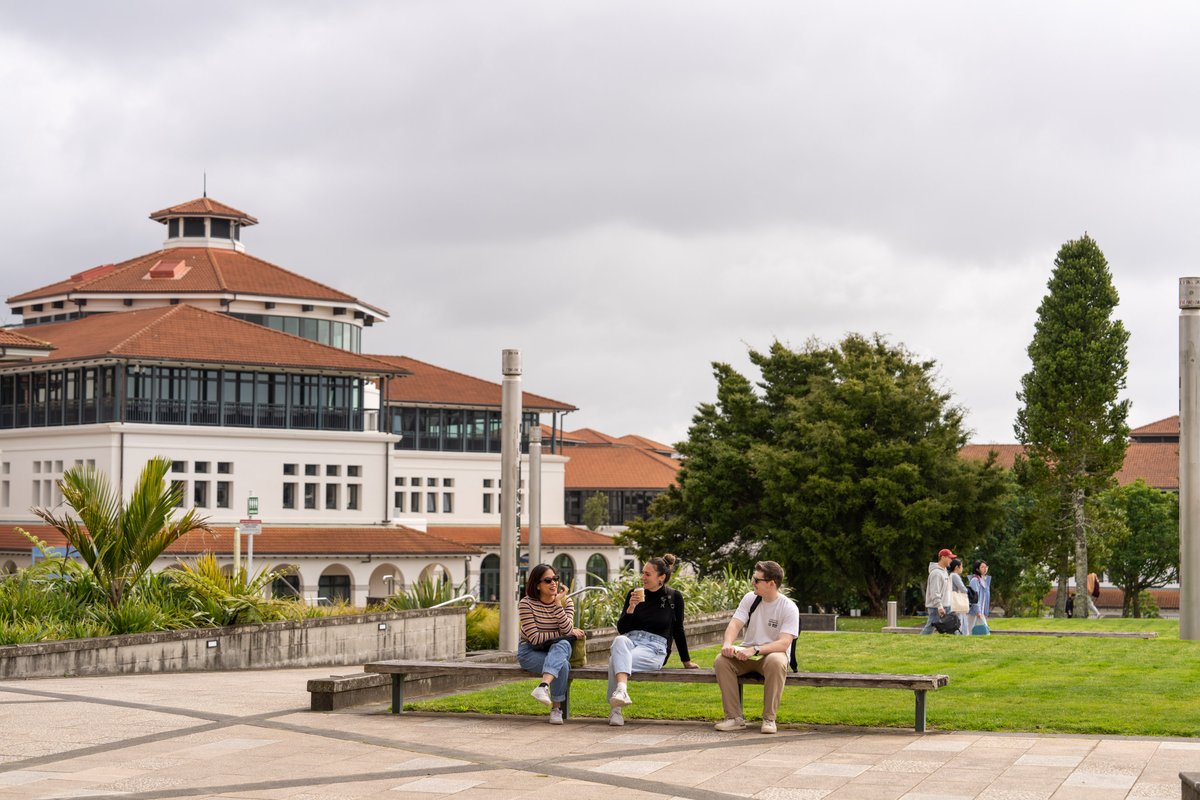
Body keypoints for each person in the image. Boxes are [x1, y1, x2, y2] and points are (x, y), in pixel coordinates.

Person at [607, 554, 700, 727]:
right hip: (631, 641)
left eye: (648, 574)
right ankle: (622, 692)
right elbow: (622, 628)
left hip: (654, 648)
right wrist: (631, 607)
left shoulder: (674, 597)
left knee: (615, 661)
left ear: (661, 577)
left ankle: (615, 711)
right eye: (642, 573)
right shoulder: (634, 594)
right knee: (619, 641)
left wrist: (686, 661)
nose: (643, 578)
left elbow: (678, 629)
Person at [712, 560, 800, 734]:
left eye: (757, 580)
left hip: (771, 655)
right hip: (747, 654)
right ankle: (734, 718)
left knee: (776, 661)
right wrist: (728, 644)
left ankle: (769, 719)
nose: (753, 582)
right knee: (721, 661)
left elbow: (784, 643)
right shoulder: (750, 599)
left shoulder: (789, 607)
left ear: (771, 583)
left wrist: (756, 649)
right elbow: (735, 624)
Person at [517, 563, 586, 725]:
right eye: (548, 580)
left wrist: (557, 605)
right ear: (537, 585)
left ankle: (543, 686)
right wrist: (562, 635)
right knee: (562, 665)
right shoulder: (526, 604)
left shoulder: (565, 602)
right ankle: (556, 709)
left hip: (556, 650)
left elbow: (567, 628)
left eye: (555, 579)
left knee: (563, 646)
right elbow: (534, 638)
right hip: (530, 652)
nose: (553, 583)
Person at [920, 549, 954, 634]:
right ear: (943, 557)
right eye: (949, 558)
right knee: (930, 627)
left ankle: (955, 643)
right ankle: (919, 641)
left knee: (951, 627)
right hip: (937, 607)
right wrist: (939, 606)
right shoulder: (936, 573)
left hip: (945, 605)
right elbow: (935, 592)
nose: (951, 560)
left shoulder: (944, 572)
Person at [967, 560, 991, 634]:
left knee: (969, 631)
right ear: (977, 569)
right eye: (982, 567)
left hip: (981, 610)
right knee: (969, 630)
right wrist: (978, 610)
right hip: (974, 611)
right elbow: (974, 597)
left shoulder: (985, 580)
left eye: (986, 567)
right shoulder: (975, 580)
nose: (985, 568)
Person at [948, 558, 969, 635]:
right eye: (961, 566)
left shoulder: (951, 575)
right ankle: (960, 634)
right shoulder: (955, 576)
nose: (962, 568)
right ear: (957, 567)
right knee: (960, 620)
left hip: (953, 600)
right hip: (957, 600)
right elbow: (962, 589)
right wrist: (969, 591)